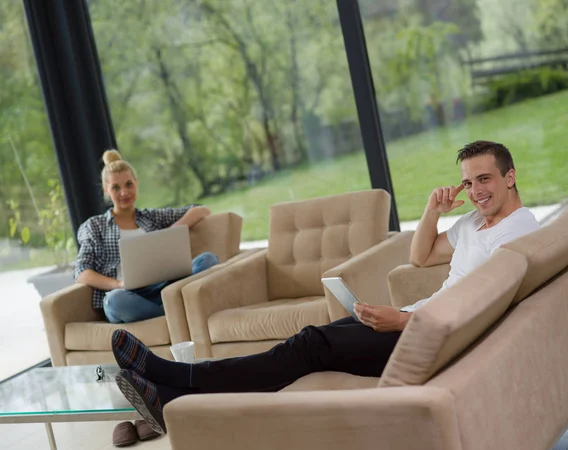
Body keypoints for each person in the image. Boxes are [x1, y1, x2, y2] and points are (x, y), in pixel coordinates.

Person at [112, 140, 541, 435]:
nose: (476, 191)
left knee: (309, 346)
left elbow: (484, 306)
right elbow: (421, 257)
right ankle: (174, 396)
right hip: (420, 321)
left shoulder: (517, 234)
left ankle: (174, 380)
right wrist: (432, 210)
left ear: (510, 177)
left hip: (433, 338)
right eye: (469, 182)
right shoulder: (474, 222)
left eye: (484, 179)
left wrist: (405, 319)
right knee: (307, 342)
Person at [74, 149, 219, 324]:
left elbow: (200, 209)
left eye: (129, 184)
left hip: (164, 287)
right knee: (114, 302)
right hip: (129, 296)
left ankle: (168, 311)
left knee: (207, 260)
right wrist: (118, 284)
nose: (124, 193)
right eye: (115, 187)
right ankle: (175, 312)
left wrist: (170, 232)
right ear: (106, 190)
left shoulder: (151, 217)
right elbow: (82, 272)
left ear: (137, 183)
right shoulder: (94, 226)